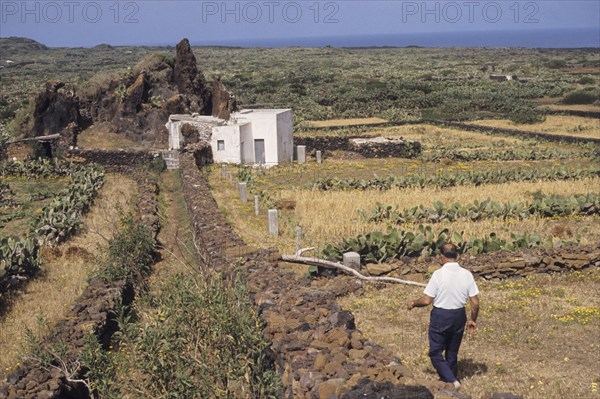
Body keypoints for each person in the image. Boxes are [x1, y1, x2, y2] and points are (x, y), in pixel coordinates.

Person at [406, 242, 479, 390]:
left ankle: (452, 381)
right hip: (459, 315)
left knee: (435, 352)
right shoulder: (466, 274)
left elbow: (427, 300)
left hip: (441, 315)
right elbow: (475, 303)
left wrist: (413, 303)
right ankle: (449, 384)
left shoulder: (438, 274)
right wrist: (472, 319)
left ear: (441, 257)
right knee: (452, 352)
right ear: (457, 256)